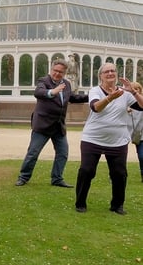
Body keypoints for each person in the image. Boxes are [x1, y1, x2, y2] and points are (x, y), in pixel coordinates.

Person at [74, 63, 143, 215]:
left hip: (118, 140)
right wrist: (110, 97)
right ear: (101, 75)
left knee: (119, 173)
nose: (110, 73)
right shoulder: (95, 90)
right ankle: (80, 202)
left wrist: (134, 93)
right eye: (107, 71)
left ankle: (117, 205)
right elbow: (96, 108)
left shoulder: (125, 93)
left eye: (113, 71)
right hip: (92, 138)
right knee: (87, 170)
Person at [15, 59, 88, 188]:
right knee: (33, 153)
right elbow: (38, 92)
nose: (57, 74)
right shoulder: (44, 81)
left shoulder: (66, 84)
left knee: (63, 154)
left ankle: (57, 179)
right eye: (55, 70)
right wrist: (52, 92)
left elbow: (72, 97)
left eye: (61, 72)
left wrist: (91, 95)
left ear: (65, 73)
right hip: (43, 125)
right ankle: (23, 177)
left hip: (58, 126)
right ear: (51, 69)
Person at [128, 82, 143, 182]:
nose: (135, 91)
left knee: (142, 156)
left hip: (141, 134)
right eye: (133, 89)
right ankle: (113, 175)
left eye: (137, 89)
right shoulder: (126, 103)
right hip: (127, 133)